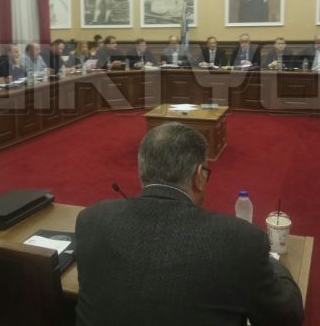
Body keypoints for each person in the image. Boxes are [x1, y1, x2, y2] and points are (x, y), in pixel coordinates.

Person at [75, 122, 304, 326]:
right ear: (198, 176)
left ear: (142, 171)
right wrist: (269, 261)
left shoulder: (91, 220)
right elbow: (288, 317)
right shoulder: (241, 242)